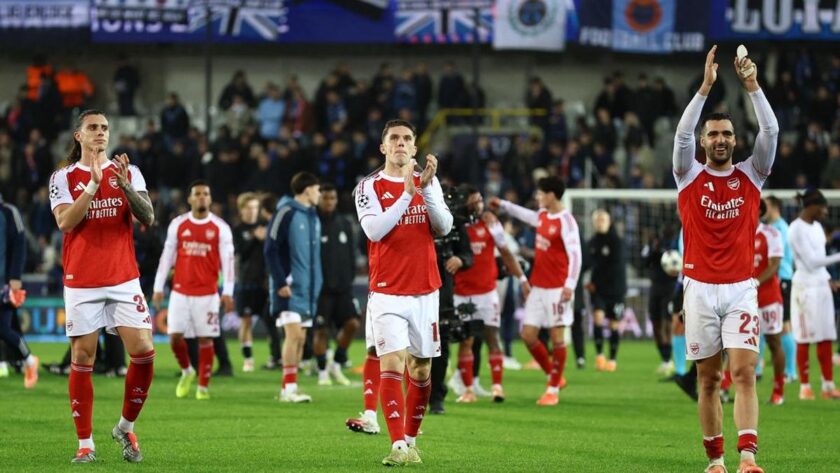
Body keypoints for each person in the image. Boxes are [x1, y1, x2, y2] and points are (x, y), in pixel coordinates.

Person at [672, 46, 778, 473]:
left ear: (736, 141)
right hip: (699, 289)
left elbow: (770, 130)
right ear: (703, 141)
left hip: (740, 289)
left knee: (744, 374)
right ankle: (715, 460)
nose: (720, 140)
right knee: (708, 379)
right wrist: (704, 88)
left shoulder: (752, 174)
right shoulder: (688, 174)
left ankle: (747, 457)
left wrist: (752, 86)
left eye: (727, 135)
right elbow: (681, 136)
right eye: (713, 134)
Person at [49, 109, 156, 463]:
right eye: (93, 127)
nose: (100, 132)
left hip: (124, 278)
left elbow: (148, 216)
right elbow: (66, 222)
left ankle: (125, 427)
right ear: (78, 135)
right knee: (83, 357)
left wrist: (123, 185)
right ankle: (85, 443)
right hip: (82, 281)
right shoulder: (63, 177)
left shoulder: (129, 171)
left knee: (144, 351)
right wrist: (93, 185)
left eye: (105, 127)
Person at [354, 119, 452, 465]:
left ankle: (410, 440)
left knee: (421, 369)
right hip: (387, 291)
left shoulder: (430, 182)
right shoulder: (368, 187)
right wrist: (408, 194)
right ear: (383, 147)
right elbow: (375, 231)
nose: (400, 143)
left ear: (414, 147)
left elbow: (444, 227)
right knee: (392, 364)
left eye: (407, 138)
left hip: (425, 290)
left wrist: (425, 190)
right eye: (394, 138)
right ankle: (397, 445)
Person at [489, 176, 582, 406]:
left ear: (551, 195)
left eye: (541, 193)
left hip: (558, 288)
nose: (538, 197)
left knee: (557, 338)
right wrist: (503, 204)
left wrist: (570, 285)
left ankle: (552, 390)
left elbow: (576, 256)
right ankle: (554, 375)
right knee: (528, 335)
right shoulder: (542, 216)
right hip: (538, 286)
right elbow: (524, 214)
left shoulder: (566, 221)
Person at [152, 180, 235, 400]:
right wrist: (158, 286)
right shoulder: (178, 224)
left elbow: (228, 262)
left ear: (210, 198)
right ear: (190, 199)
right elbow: (167, 257)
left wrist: (228, 291)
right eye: (197, 194)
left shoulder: (220, 228)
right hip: (180, 291)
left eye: (205, 194)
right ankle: (187, 370)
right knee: (175, 337)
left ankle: (203, 387)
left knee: (205, 339)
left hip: (208, 293)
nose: (201, 197)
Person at [452, 186, 529, 403]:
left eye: (479, 200)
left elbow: (506, 252)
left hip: (487, 292)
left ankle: (497, 387)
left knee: (492, 338)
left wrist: (522, 279)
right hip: (462, 293)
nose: (478, 205)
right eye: (474, 201)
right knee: (466, 341)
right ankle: (468, 389)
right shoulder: (454, 225)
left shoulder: (491, 223)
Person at [265, 172, 322, 403]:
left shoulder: (313, 217)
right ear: (307, 190)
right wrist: (280, 282)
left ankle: (290, 387)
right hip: (288, 287)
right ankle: (288, 390)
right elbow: (270, 248)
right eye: (317, 189)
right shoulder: (285, 212)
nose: (319, 194)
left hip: (308, 289)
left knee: (300, 339)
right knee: (294, 334)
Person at [787, 189, 840, 401]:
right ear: (812, 206)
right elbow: (810, 262)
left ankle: (828, 386)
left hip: (821, 285)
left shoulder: (817, 227)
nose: (825, 212)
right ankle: (805, 387)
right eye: (823, 207)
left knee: (826, 335)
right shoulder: (795, 229)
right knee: (805, 336)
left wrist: (829, 278)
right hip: (805, 288)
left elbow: (821, 261)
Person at [314, 183, 358, 386]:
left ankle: (337, 363)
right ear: (318, 199)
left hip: (343, 288)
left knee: (352, 324)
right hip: (321, 290)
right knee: (321, 330)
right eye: (325, 198)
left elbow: (351, 254)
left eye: (332, 198)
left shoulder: (344, 223)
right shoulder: (313, 222)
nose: (329, 202)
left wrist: (349, 278)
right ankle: (322, 371)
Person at [0, 192, 38, 387]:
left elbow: (20, 244)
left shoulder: (9, 212)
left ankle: (28, 361)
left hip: (5, 283)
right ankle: (28, 361)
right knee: (4, 328)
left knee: (4, 328)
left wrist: (15, 277)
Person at [752, 200, 786, 405]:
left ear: (759, 211)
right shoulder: (736, 232)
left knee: (774, 341)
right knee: (735, 344)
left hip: (768, 297)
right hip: (744, 297)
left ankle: (778, 391)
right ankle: (726, 386)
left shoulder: (771, 234)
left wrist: (755, 282)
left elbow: (774, 265)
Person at [762, 195, 798, 382]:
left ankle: (790, 372)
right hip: (769, 280)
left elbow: (775, 256)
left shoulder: (781, 228)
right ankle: (757, 369)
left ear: (775, 207)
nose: (763, 209)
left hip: (781, 279)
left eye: (766, 206)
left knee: (783, 326)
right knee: (761, 325)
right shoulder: (769, 227)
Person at [586, 209, 627, 372]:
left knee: (614, 324)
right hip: (598, 290)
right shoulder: (592, 242)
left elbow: (614, 267)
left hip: (616, 291)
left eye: (603, 219)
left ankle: (612, 359)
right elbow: (587, 263)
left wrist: (595, 280)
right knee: (597, 318)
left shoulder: (617, 242)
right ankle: (599, 356)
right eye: (597, 220)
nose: (600, 223)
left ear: (609, 222)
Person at [232, 192, 268, 373]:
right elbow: (241, 253)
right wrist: (255, 239)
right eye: (248, 208)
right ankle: (248, 358)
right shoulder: (237, 230)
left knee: (271, 321)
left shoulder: (265, 227)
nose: (252, 211)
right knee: (245, 321)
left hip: (265, 283)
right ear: (241, 210)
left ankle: (275, 357)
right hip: (245, 282)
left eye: (255, 207)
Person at [643, 223, 679, 376]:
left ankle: (671, 361)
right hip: (655, 288)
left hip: (671, 288)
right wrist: (653, 250)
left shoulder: (678, 243)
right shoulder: (653, 243)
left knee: (667, 323)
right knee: (656, 324)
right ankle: (665, 360)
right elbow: (643, 263)